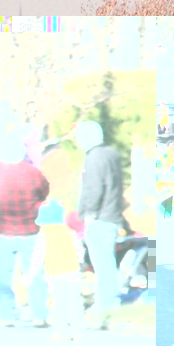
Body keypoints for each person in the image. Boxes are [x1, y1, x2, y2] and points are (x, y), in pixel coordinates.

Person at [0, 134, 50, 327]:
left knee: (2, 275)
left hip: (1, 229)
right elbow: (44, 192)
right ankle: (39, 314)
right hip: (29, 229)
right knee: (35, 273)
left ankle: (6, 314)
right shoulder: (33, 173)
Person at [74, 120, 125, 331]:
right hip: (112, 214)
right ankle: (108, 309)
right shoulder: (111, 154)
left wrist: (88, 213)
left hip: (100, 218)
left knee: (103, 268)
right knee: (108, 268)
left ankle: (107, 311)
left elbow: (94, 189)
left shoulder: (94, 157)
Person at [34, 200, 84, 341]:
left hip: (54, 271)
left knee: (59, 303)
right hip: (73, 269)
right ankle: (77, 331)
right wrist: (81, 262)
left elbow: (39, 255)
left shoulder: (44, 234)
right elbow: (79, 250)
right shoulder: (70, 232)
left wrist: (32, 273)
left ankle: (62, 331)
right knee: (75, 301)